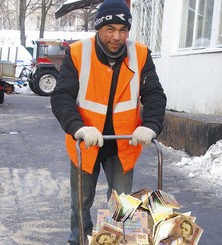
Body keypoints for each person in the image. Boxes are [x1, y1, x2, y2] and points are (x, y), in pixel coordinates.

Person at [50, 0, 166, 243]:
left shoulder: (140, 54)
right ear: (98, 28)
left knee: (122, 203)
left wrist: (150, 125)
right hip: (87, 141)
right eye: (110, 29)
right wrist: (78, 127)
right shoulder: (78, 52)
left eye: (123, 30)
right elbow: (62, 96)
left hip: (122, 143)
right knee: (81, 202)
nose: (117, 36)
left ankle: (116, 241)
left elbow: (154, 94)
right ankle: (79, 240)